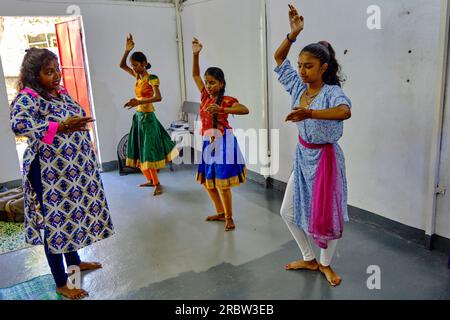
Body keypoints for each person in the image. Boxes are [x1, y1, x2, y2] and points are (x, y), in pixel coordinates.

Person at [10, 48, 115, 299]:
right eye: (49, 72)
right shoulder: (29, 97)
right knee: (55, 222)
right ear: (35, 75)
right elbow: (19, 125)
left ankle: (75, 264)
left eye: (57, 70)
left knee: (69, 217)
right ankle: (61, 281)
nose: (56, 75)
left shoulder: (58, 92)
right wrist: (60, 127)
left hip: (68, 172)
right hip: (47, 173)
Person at [274, 4, 352, 286]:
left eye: (309, 66)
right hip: (303, 155)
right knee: (288, 211)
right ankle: (309, 258)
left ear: (324, 67)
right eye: (300, 66)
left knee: (327, 216)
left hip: (326, 159)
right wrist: (293, 34)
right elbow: (278, 58)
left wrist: (309, 113)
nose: (302, 71)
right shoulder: (298, 87)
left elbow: (344, 112)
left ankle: (326, 264)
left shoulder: (332, 92)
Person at [191, 38, 249, 232]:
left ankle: (229, 217)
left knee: (223, 184)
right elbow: (195, 75)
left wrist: (223, 110)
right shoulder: (205, 96)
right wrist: (196, 54)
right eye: (207, 83)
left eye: (212, 83)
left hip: (224, 142)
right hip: (209, 142)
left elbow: (244, 109)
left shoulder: (227, 100)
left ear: (221, 83)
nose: (208, 86)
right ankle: (221, 212)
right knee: (209, 183)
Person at [119, 34, 178, 196]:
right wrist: (126, 50)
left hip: (148, 119)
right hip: (138, 118)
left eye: (136, 65)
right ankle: (151, 181)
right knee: (138, 151)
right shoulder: (137, 76)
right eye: (133, 65)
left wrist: (138, 102)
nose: (134, 68)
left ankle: (157, 183)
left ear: (144, 64)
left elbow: (159, 97)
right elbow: (121, 65)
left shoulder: (152, 78)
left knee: (148, 152)